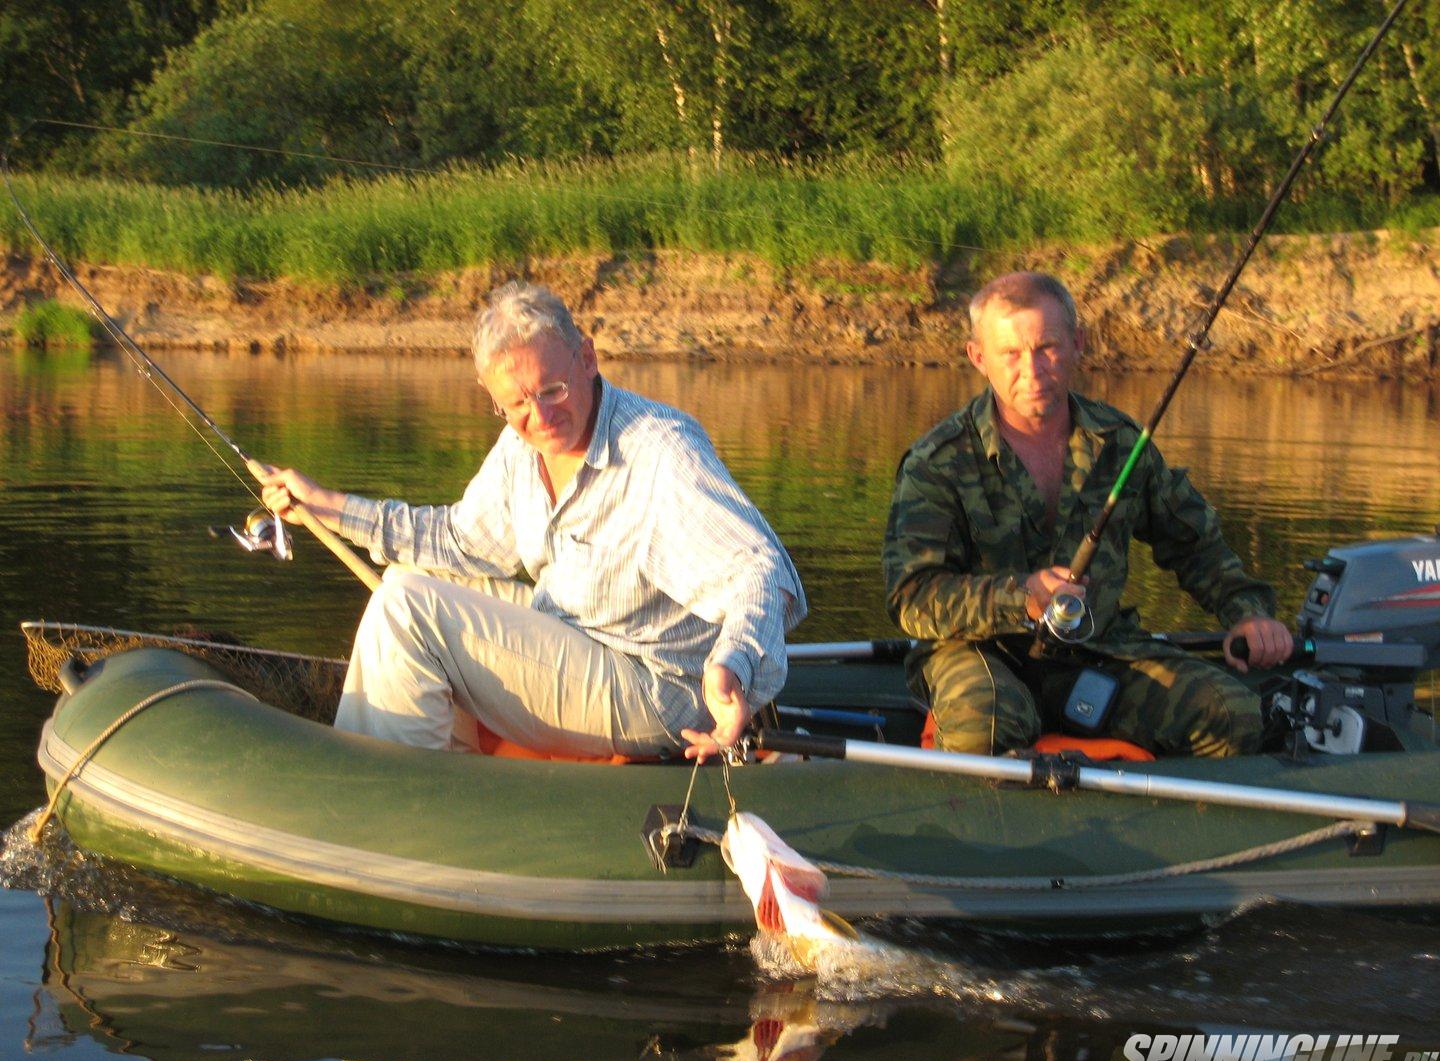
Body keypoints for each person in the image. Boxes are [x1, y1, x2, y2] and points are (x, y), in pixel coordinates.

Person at [254, 281, 806, 763]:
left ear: (586, 358)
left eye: (552, 390)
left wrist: (731, 666)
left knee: (406, 612)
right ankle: (447, 767)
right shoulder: (520, 449)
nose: (538, 418)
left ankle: (390, 793)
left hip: (659, 688)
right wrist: (326, 504)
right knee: (404, 581)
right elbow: (456, 542)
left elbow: (764, 572)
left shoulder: (660, 451)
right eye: (515, 405)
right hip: (575, 636)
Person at [882, 271, 1292, 757]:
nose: (1032, 371)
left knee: (1232, 714)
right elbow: (912, 597)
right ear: (978, 358)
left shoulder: (1121, 441)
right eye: (1010, 354)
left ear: (1078, 344)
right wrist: (1023, 596)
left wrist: (1247, 614)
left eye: (1047, 348)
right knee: (983, 725)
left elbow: (1192, 542)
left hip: (1101, 650)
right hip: (977, 652)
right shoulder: (937, 460)